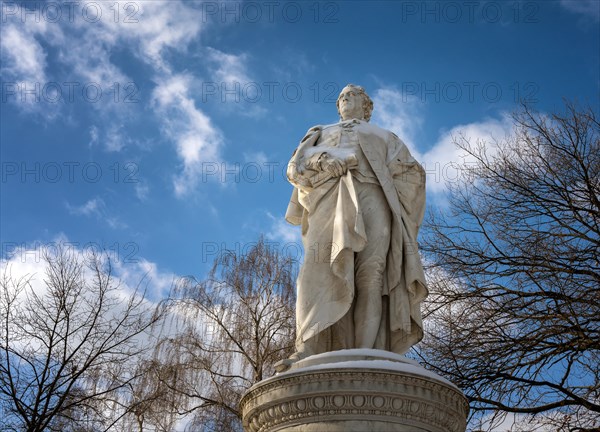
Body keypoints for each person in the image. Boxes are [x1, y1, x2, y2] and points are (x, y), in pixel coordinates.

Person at [280, 84, 428, 368]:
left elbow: (413, 176)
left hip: (374, 196)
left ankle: (369, 352)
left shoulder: (386, 137)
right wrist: (323, 159)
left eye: (353, 95)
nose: (345, 98)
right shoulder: (320, 132)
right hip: (330, 198)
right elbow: (294, 166)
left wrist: (392, 187)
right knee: (315, 269)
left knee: (371, 276)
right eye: (342, 96)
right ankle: (308, 345)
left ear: (366, 105)